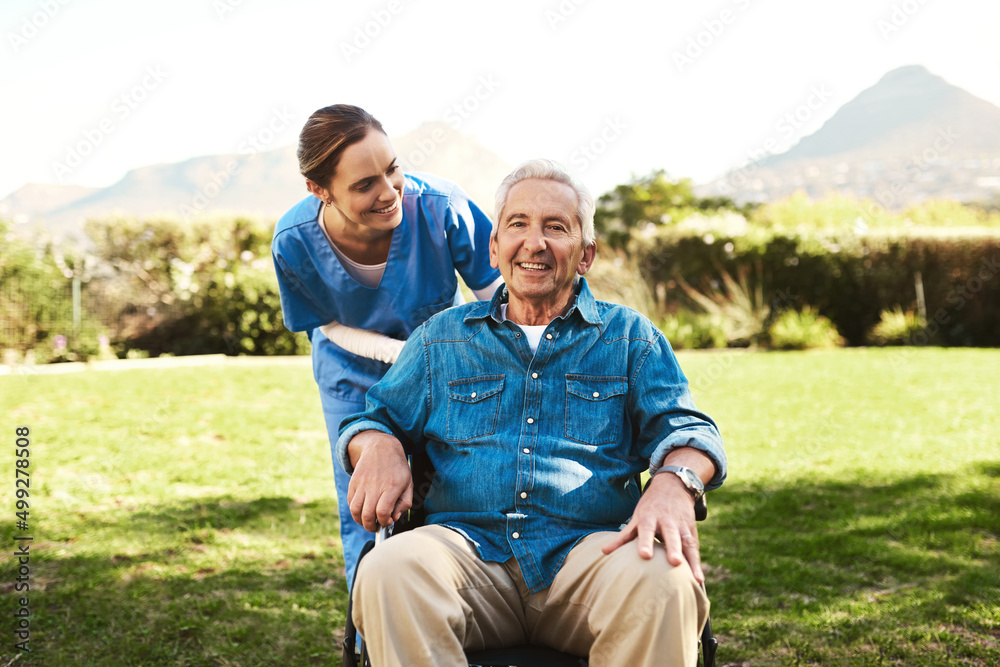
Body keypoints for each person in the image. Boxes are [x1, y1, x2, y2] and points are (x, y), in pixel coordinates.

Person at [337, 158, 728, 666]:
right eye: (518, 224)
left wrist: (675, 482)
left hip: (591, 557)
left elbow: (689, 431)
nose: (535, 242)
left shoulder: (630, 338)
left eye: (556, 228)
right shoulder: (440, 340)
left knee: (663, 579)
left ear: (585, 254)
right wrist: (381, 444)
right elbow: (371, 419)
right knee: (390, 567)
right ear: (495, 247)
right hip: (465, 556)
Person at [271, 104, 503, 589]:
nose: (388, 191)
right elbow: (327, 326)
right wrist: (410, 355)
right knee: (371, 508)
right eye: (363, 185)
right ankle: (372, 635)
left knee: (458, 488)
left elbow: (499, 296)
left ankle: (465, 608)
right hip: (352, 376)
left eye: (392, 168)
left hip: (450, 369)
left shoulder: (441, 206)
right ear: (319, 190)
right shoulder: (294, 242)